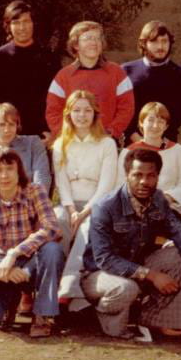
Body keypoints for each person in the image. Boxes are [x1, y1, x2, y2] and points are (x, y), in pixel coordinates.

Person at [82, 148, 181, 338]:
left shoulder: (158, 199)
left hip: (138, 266)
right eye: (137, 175)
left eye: (150, 176)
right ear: (127, 175)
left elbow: (177, 230)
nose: (144, 181)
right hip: (100, 274)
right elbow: (104, 259)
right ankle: (99, 313)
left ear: (157, 177)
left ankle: (155, 318)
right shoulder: (105, 206)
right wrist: (152, 275)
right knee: (126, 289)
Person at [0, 148, 63, 337]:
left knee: (53, 249)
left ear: (19, 171)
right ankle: (3, 307)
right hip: (1, 265)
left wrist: (14, 253)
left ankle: (43, 315)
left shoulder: (35, 191)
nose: (4, 175)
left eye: (9, 168)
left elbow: (52, 228)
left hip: (33, 260)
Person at [52, 90, 117, 309]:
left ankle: (68, 286)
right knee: (57, 222)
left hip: (97, 205)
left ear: (95, 113)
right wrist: (71, 210)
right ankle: (50, 283)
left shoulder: (106, 144)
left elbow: (106, 185)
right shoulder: (60, 144)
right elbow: (62, 182)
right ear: (69, 114)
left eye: (87, 110)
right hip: (69, 204)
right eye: (77, 110)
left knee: (89, 227)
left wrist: (85, 212)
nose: (82, 115)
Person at [0, 0, 59, 141]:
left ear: (33, 23)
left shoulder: (49, 57)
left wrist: (54, 132)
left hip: (43, 139)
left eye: (26, 21)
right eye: (16, 22)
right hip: (10, 139)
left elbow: (60, 100)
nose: (22, 27)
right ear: (8, 26)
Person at [46, 21, 135, 142]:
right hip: (73, 143)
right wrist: (67, 135)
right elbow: (53, 112)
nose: (94, 42)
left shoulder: (117, 73)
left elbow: (127, 108)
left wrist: (112, 132)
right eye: (88, 38)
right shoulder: (63, 76)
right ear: (76, 45)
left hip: (107, 141)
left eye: (98, 38)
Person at [122, 20, 181, 143]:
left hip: (167, 143)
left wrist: (159, 141)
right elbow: (122, 109)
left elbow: (180, 114)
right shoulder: (126, 71)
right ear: (144, 43)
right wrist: (135, 137)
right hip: (134, 143)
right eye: (154, 41)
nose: (160, 46)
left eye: (164, 41)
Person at [117, 102, 181, 217]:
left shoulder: (178, 151)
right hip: (136, 208)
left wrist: (167, 197)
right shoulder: (128, 152)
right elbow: (120, 184)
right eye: (150, 120)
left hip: (168, 206)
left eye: (161, 122)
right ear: (141, 123)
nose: (155, 126)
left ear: (166, 126)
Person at [0, 103, 51, 198]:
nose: (6, 130)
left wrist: (27, 203)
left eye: (11, 124)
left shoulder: (33, 144)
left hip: (33, 203)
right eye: (1, 125)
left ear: (17, 126)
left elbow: (42, 180)